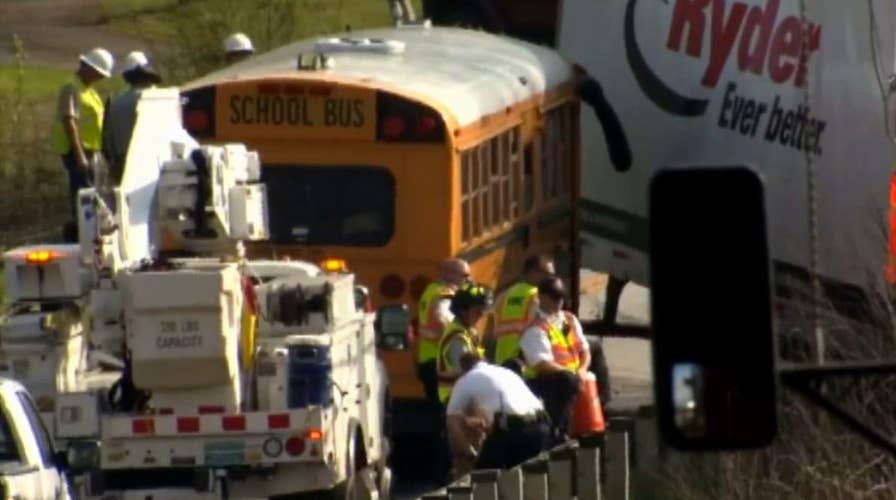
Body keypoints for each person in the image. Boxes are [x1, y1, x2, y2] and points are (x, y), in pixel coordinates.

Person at [445, 351, 551, 477]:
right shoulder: (506, 372)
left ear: (462, 370)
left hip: (512, 432)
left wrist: (469, 454)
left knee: (482, 480)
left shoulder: (465, 380)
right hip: (541, 427)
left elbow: (453, 424)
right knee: (534, 484)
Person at [519, 276, 592, 441]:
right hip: (543, 381)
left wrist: (582, 370)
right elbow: (541, 365)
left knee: (596, 355)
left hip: (571, 373)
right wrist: (572, 373)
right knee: (567, 380)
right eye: (555, 297)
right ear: (542, 298)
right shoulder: (535, 329)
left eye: (561, 297)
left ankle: (596, 417)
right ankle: (558, 432)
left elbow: (585, 351)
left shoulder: (569, 320)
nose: (559, 302)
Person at [51, 47, 114, 222]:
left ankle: (92, 227)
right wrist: (79, 156)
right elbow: (69, 121)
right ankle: (83, 229)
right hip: (78, 150)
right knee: (84, 194)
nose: (100, 77)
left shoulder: (88, 90)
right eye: (98, 73)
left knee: (93, 193)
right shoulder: (71, 87)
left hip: (91, 149)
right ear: (87, 67)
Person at [102, 51, 162, 186]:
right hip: (149, 160)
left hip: (122, 162)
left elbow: (108, 140)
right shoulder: (153, 99)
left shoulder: (114, 102)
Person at [416, 258, 470, 405]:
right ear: (449, 274)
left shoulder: (430, 290)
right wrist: (455, 339)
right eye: (464, 275)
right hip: (441, 363)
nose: (468, 279)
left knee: (434, 410)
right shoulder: (445, 294)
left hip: (427, 360)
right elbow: (441, 318)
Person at [490, 255, 555, 372]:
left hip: (503, 364)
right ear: (533, 272)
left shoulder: (503, 296)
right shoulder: (539, 297)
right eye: (548, 275)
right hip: (529, 367)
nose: (551, 280)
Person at [435, 282, 492, 405]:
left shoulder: (469, 332)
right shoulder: (457, 337)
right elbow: (467, 373)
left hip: (464, 397)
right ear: (462, 311)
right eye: (477, 311)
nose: (481, 315)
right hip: (456, 401)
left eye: (483, 310)